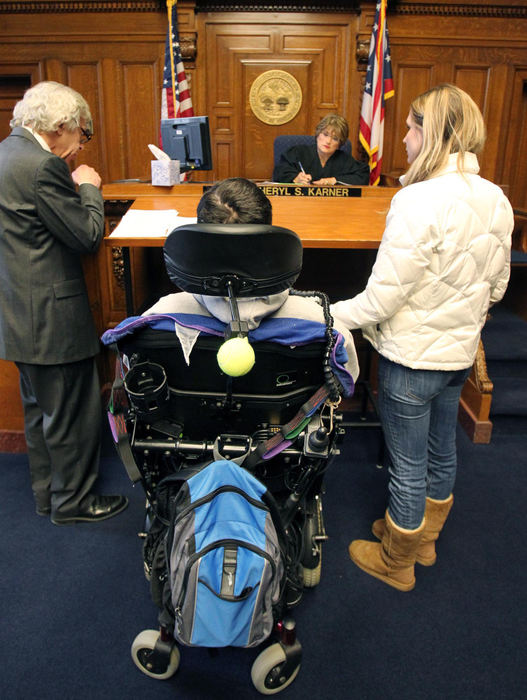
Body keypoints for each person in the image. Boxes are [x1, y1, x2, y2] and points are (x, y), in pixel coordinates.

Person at [331, 84, 514, 591]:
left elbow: (381, 301)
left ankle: (397, 560)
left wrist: (328, 314)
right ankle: (423, 539)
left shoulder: (417, 200)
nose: (405, 139)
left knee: (408, 467)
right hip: (458, 353)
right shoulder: (498, 199)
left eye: (410, 128)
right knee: (442, 452)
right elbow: (496, 288)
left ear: (430, 132)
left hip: (411, 360)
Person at [0, 81, 128, 525]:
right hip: (53, 316)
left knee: (41, 415)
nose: (79, 147)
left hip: (18, 313)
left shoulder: (5, 154)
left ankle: (48, 496)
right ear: (60, 127)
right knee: (73, 414)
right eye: (82, 135)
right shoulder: (41, 167)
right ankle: (75, 504)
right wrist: (88, 187)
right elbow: (87, 235)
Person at [143, 177, 359, 383]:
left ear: (200, 242)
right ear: (268, 240)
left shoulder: (155, 318)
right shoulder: (328, 328)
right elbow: (346, 379)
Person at [273, 114, 369, 186]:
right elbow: (279, 172)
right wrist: (295, 178)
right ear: (318, 134)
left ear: (340, 143)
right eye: (325, 134)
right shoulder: (297, 153)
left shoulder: (344, 159)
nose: (328, 141)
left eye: (335, 138)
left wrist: (334, 180)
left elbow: (362, 176)